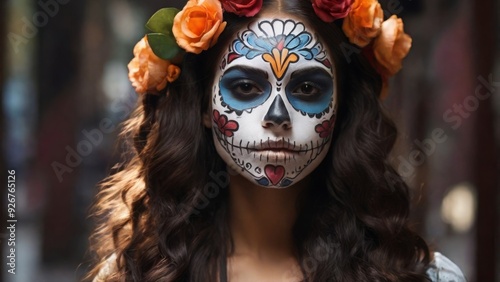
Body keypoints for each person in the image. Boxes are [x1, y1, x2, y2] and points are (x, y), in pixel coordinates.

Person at [86, 0, 467, 281]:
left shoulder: (420, 277)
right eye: (247, 87)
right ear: (203, 105)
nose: (278, 117)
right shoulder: (134, 275)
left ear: (341, 109)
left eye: (306, 87)